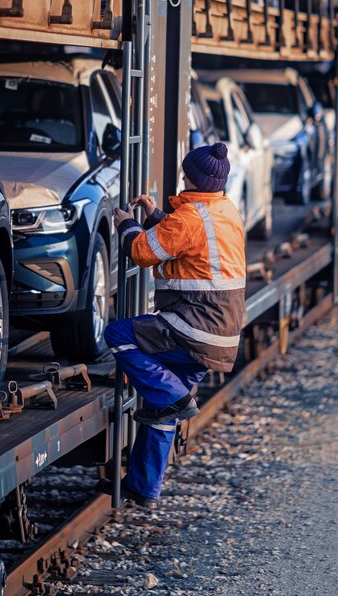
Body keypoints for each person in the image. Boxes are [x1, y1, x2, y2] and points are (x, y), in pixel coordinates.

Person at [106, 141, 245, 508]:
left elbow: (140, 251)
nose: (182, 180)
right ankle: (143, 485)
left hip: (193, 328)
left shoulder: (190, 216)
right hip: (221, 336)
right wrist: (154, 218)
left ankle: (174, 396)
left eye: (186, 175)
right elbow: (182, 245)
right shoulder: (226, 211)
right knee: (163, 408)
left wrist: (127, 225)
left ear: (194, 178)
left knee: (118, 335)